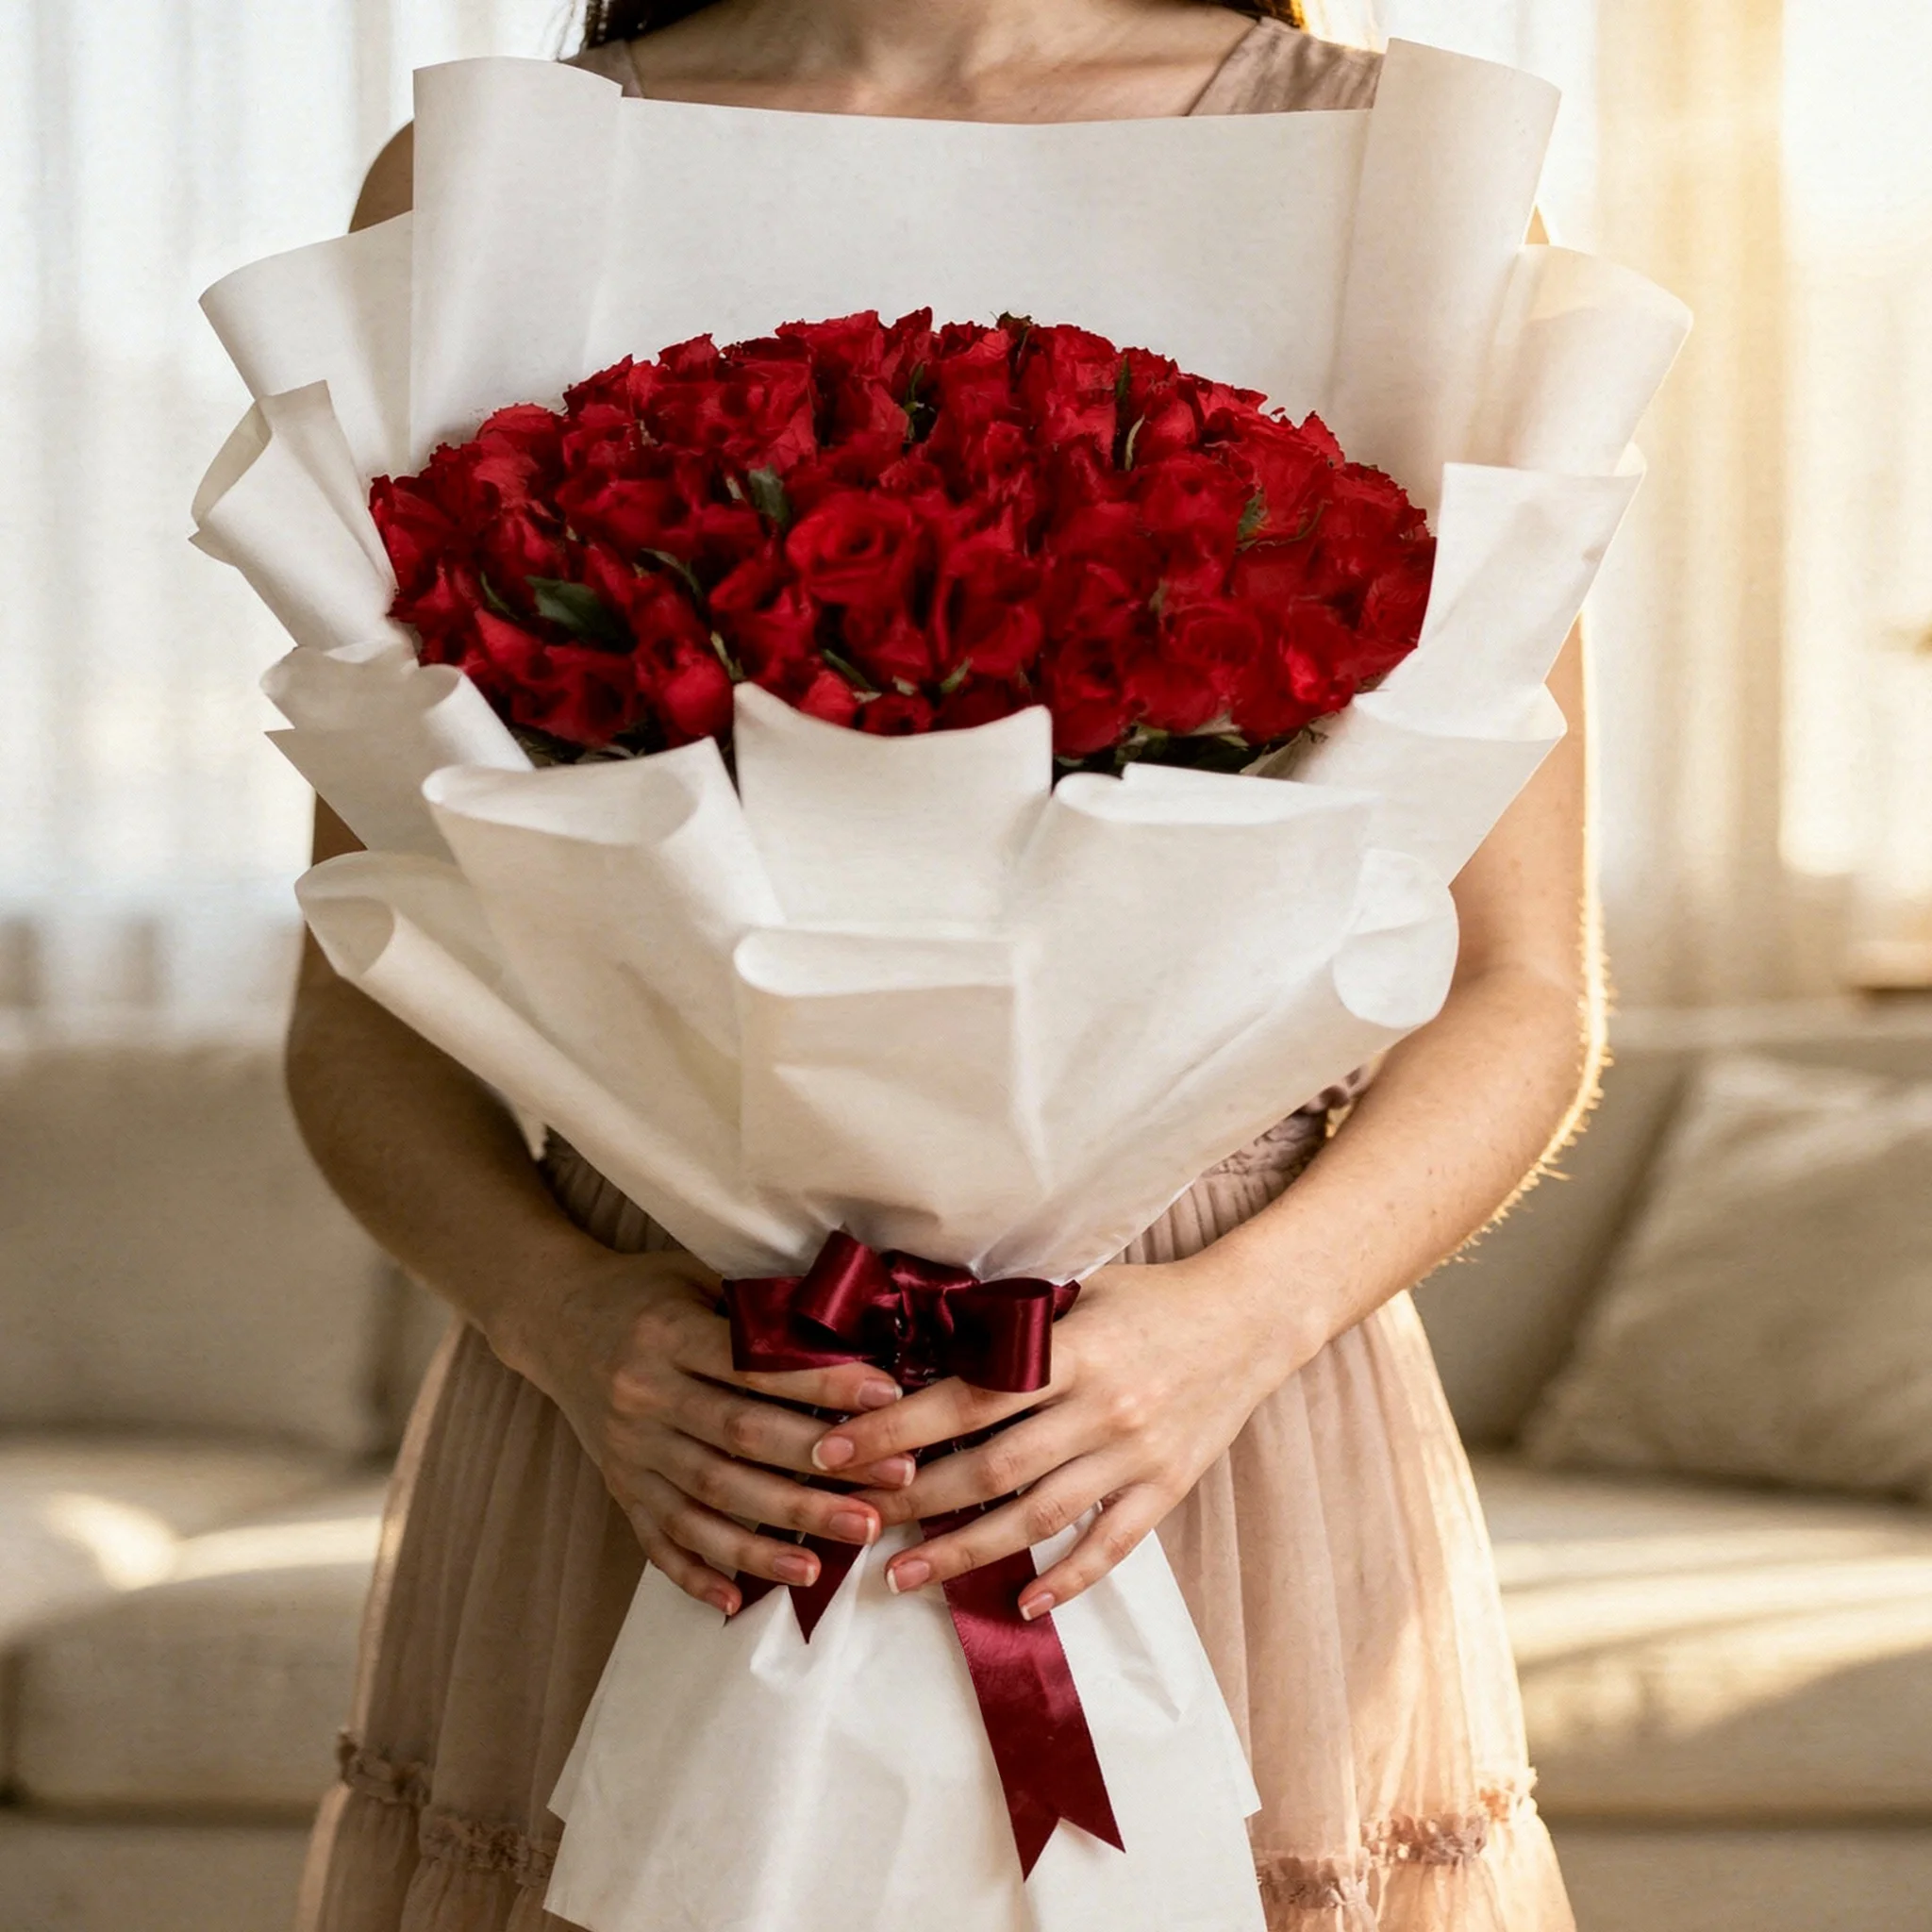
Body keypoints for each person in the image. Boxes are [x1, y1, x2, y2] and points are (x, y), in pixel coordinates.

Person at [291, 3, 1589, 1925]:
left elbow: (1523, 987)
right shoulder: (502, 173)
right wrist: (570, 1327)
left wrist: (1227, 1331)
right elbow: (361, 998)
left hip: (1180, 1413)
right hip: (662, 1415)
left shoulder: (1408, 176)